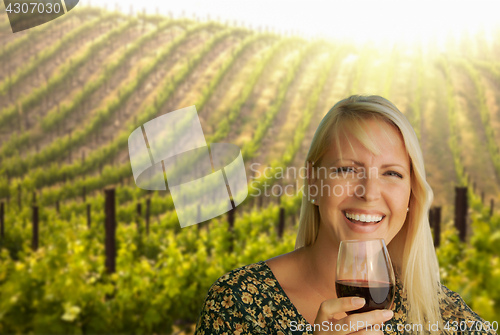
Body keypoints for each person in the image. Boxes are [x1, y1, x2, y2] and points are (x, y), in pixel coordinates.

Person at [194, 95, 497, 335]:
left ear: (410, 196)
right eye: (347, 169)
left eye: (392, 173)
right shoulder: (238, 305)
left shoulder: (438, 313)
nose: (370, 192)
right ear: (313, 182)